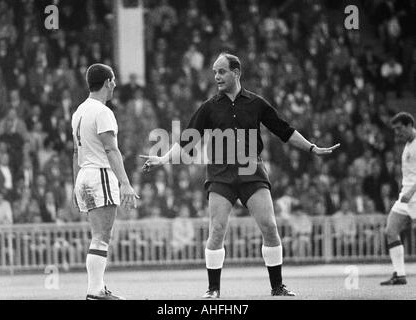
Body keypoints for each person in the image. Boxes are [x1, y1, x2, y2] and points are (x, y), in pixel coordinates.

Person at [140, 53, 340, 298]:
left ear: (236, 72)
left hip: (251, 172)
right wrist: (162, 159)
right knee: (217, 230)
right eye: (214, 72)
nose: (216, 77)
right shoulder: (209, 107)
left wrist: (311, 147)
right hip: (220, 175)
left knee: (269, 226)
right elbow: (186, 141)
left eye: (221, 71)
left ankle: (277, 287)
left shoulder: (256, 103)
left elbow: (284, 130)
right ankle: (213, 290)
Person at [72, 63, 140, 300]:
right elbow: (111, 150)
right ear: (108, 81)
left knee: (97, 235)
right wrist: (126, 183)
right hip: (99, 172)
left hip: (84, 173)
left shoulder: (79, 111)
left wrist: (74, 184)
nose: (115, 85)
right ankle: (95, 291)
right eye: (113, 81)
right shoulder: (103, 112)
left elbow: (74, 152)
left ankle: (97, 287)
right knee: (102, 235)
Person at [381, 112, 416, 285]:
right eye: (394, 130)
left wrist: (412, 191)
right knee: (390, 231)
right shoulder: (408, 145)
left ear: (410, 125)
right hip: (406, 196)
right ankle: (400, 274)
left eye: (399, 128)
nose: (397, 133)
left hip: (414, 195)